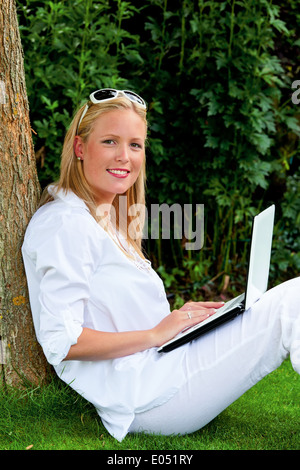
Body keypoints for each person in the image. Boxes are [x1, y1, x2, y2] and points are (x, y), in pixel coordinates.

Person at [22, 88, 300, 442]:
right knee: (292, 304)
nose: (125, 156)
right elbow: (63, 342)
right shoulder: (65, 224)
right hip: (147, 395)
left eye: (135, 145)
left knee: (284, 301)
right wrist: (157, 334)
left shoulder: (102, 219)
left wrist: (180, 323)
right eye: (110, 141)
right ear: (79, 147)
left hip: (160, 366)